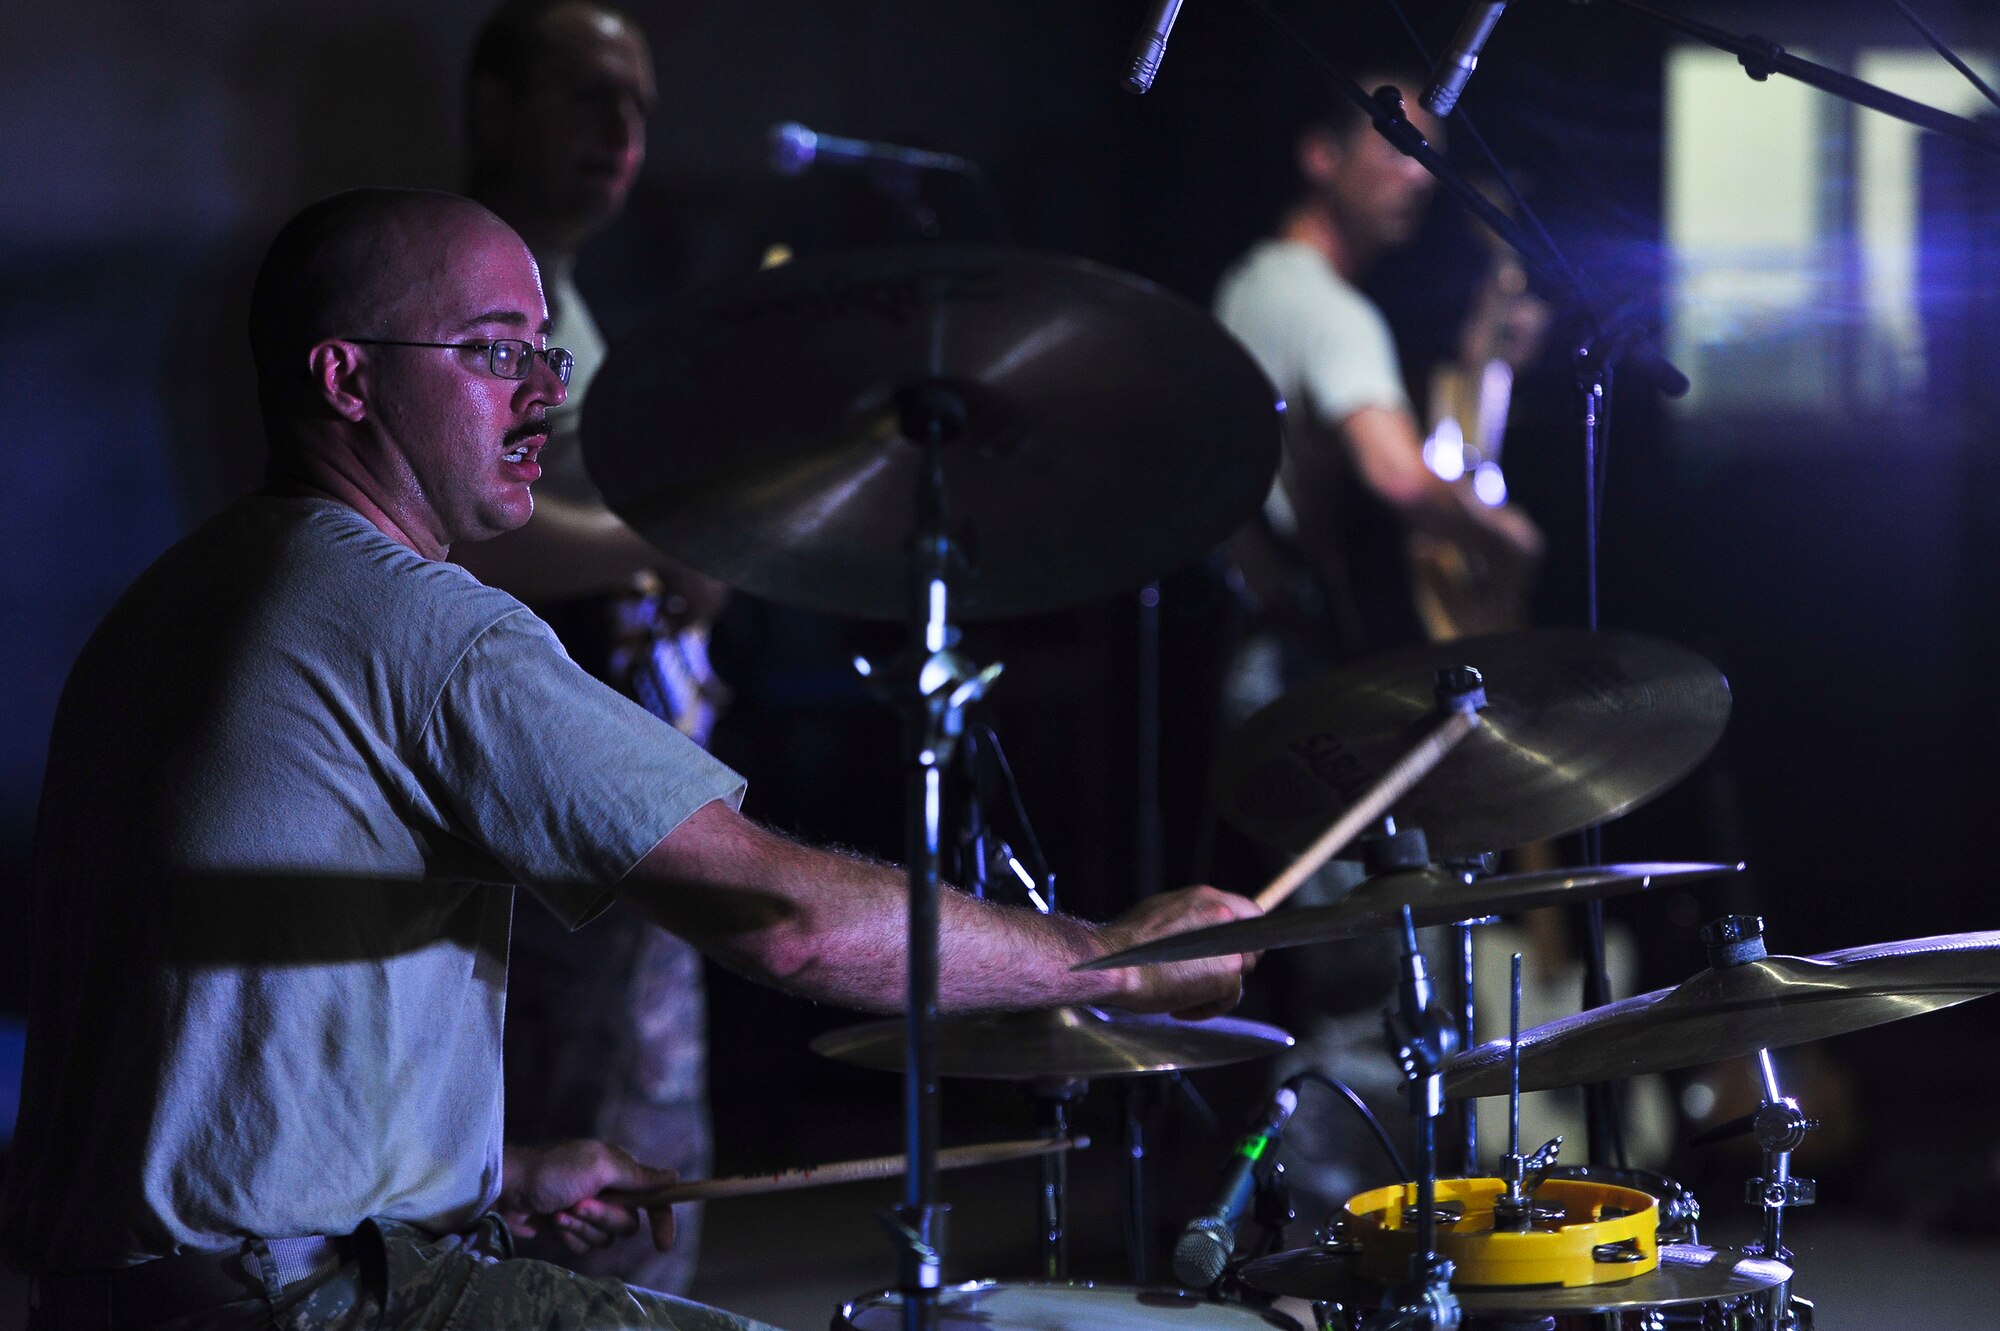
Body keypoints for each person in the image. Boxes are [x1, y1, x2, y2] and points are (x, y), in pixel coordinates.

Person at [0, 188, 1256, 1331]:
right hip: (301, 1300)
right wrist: (1118, 967)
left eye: (541, 353)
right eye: (496, 352)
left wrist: (492, 1173)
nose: (543, 393)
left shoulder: (168, 604)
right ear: (345, 379)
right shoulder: (425, 625)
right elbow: (781, 917)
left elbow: (223, 1052)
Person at [1209, 77, 1545, 1217]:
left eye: (1429, 154)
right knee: (1370, 989)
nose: (1417, 175)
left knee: (1334, 977)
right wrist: (1504, 531)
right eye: (1397, 148)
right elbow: (1399, 478)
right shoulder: (1325, 309)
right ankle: (1332, 1259)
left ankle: (1320, 1243)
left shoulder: (1250, 287)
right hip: (1307, 677)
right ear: (1317, 153)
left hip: (1254, 667)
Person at [452, 0, 728, 1297]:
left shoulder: (559, 283)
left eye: (641, 112)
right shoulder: (469, 274)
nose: (623, 135)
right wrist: (647, 547)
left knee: (627, 1112)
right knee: (570, 1140)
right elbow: (454, 524)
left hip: (587, 755)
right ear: (494, 107)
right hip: (513, 791)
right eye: (589, 100)